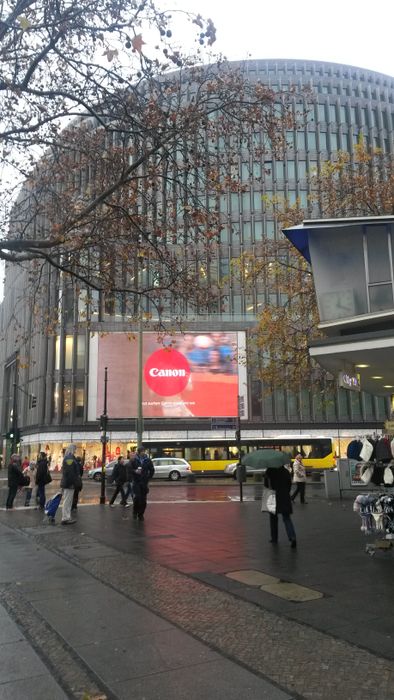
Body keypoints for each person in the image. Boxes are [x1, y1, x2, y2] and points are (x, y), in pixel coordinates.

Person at [264, 465, 297, 548]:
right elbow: (289, 484)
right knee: (286, 518)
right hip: (284, 496)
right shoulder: (285, 471)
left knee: (273, 518)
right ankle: (292, 537)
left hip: (273, 496)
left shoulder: (269, 471)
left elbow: (266, 485)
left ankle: (274, 538)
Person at [130, 446, 155, 521]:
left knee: (143, 500)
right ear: (139, 452)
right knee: (137, 498)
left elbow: (152, 470)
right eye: (142, 451)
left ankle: (141, 514)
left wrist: (148, 478)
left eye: (144, 451)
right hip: (136, 482)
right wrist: (135, 471)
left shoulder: (148, 460)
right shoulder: (134, 460)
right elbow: (129, 469)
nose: (143, 453)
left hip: (144, 482)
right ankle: (135, 512)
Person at [60, 445, 80, 524]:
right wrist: (72, 483)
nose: (76, 450)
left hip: (69, 483)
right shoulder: (69, 458)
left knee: (68, 501)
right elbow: (70, 472)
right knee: (67, 501)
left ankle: (67, 517)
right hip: (69, 484)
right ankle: (65, 518)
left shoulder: (69, 458)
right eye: (75, 449)